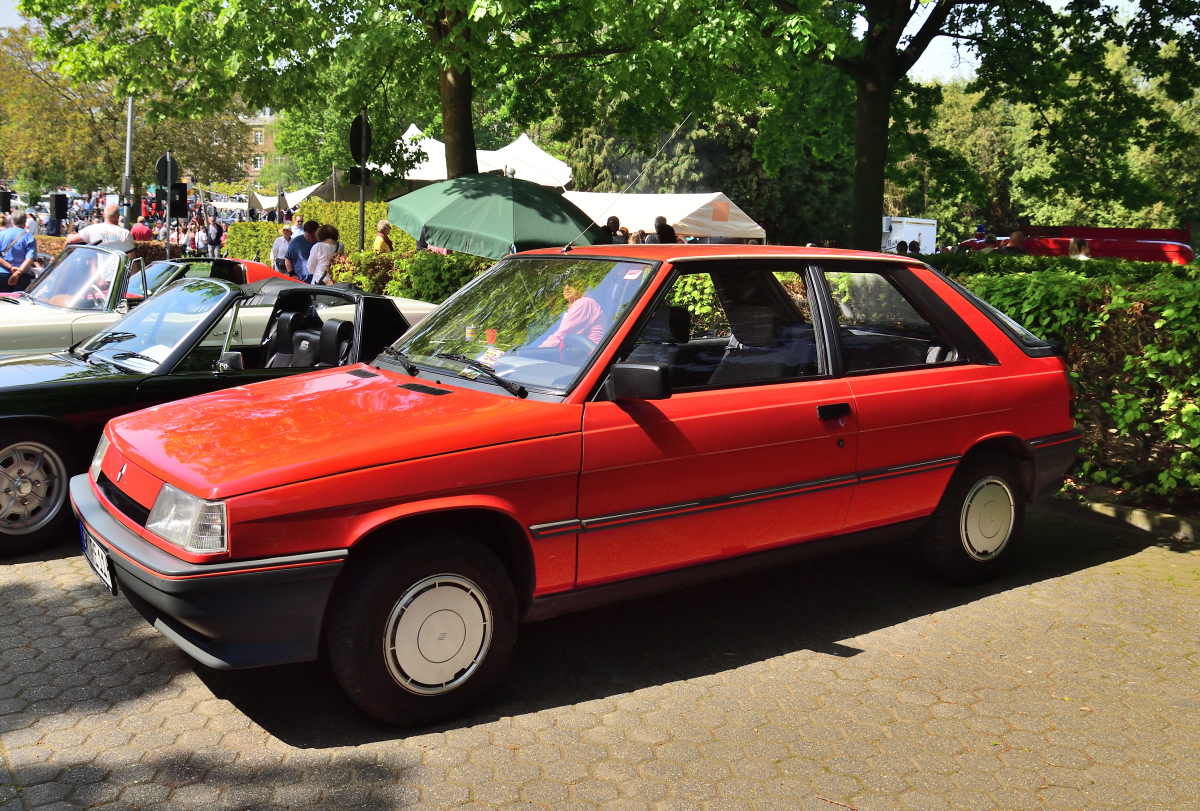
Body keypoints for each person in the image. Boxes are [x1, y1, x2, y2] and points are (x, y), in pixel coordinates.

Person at [541, 279, 606, 349]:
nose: (566, 288)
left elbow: (562, 335)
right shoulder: (574, 306)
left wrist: (538, 351)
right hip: (583, 352)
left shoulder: (583, 303)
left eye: (571, 283)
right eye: (563, 285)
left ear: (581, 285)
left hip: (591, 355)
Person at [65, 203, 135, 254]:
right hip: (117, 273)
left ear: (104, 215)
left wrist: (69, 235)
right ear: (118, 216)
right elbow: (131, 259)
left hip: (96, 273)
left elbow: (70, 240)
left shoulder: (93, 229)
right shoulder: (125, 234)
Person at [0, 212, 39, 291]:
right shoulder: (29, 237)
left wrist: (10, 267)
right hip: (23, 275)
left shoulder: (2, 234)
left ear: (11, 221)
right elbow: (30, 258)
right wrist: (17, 273)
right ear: (25, 222)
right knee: (19, 301)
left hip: (2, 273)